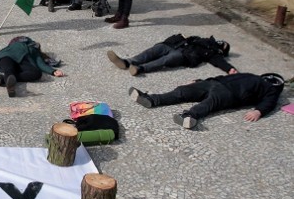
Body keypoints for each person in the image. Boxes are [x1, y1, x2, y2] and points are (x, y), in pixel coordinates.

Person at [129, 73, 285, 130]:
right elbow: (225, 77)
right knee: (182, 91)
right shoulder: (252, 76)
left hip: (229, 94)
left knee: (209, 104)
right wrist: (199, 80)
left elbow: (270, 103)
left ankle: (189, 117)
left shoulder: (270, 90)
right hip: (213, 83)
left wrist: (259, 111)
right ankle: (151, 99)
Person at [107, 35, 235, 76]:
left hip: (183, 55)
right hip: (175, 45)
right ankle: (127, 62)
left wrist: (229, 69)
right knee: (152, 51)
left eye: (224, 45)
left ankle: (140, 69)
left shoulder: (213, 53)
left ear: (222, 50)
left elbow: (220, 62)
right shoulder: (202, 39)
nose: (221, 42)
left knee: (165, 60)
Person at [0, 34, 65, 97]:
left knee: (11, 70)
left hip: (13, 59)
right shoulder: (29, 47)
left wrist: (53, 71)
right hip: (13, 59)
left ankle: (6, 79)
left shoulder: (29, 48)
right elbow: (40, 63)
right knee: (12, 69)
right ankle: (7, 82)